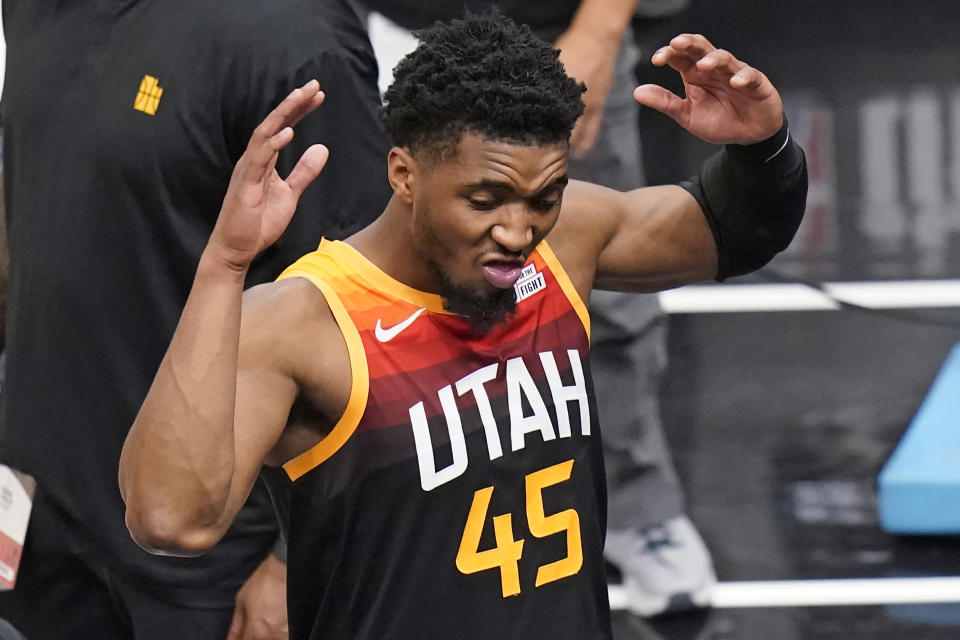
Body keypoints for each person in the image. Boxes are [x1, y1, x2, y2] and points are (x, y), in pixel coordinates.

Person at [119, 13, 806, 640]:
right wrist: (225, 263)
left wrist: (762, 147)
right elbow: (171, 520)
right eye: (485, 200)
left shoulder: (562, 243)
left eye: (544, 198)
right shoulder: (306, 322)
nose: (516, 230)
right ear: (403, 173)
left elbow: (732, 229)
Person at [0, 0, 391, 637]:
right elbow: (44, 182)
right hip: (42, 507)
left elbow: (362, 307)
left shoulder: (289, 34)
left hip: (208, 546)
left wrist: (294, 561)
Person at [357, 0, 714, 614]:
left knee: (604, 294)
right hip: (380, 34)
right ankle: (423, 515)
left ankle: (637, 506)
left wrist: (600, 29)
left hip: (552, 33)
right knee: (377, 292)